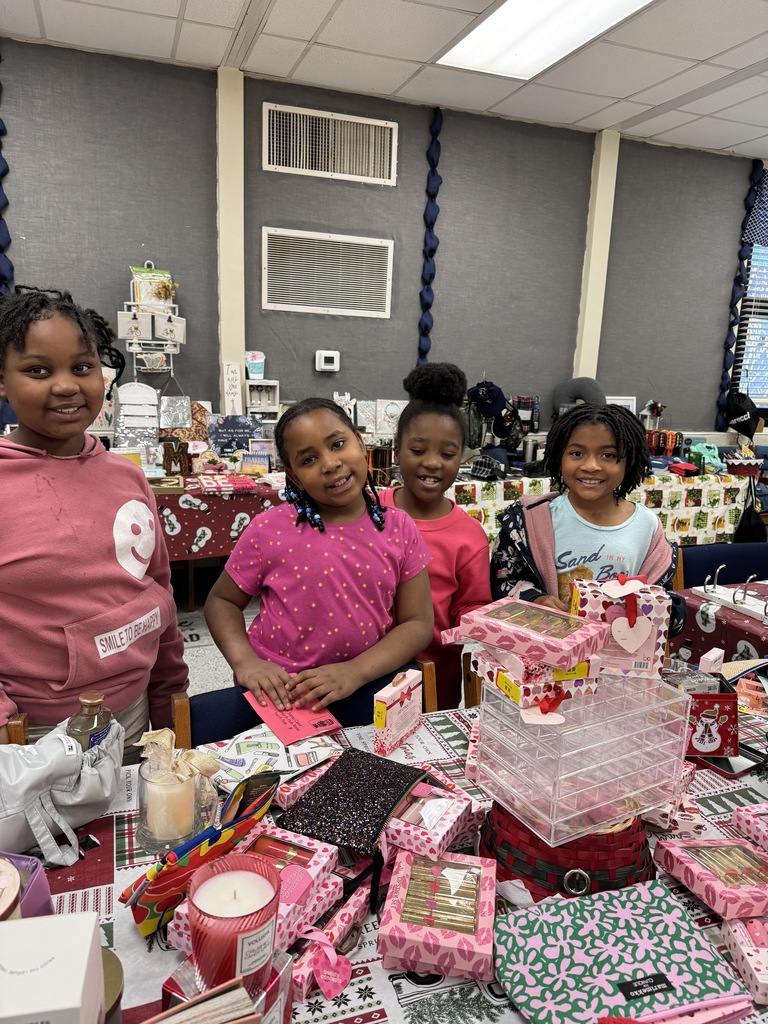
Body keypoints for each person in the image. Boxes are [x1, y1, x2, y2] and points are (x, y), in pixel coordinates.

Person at [0, 286, 188, 761]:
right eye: (38, 370)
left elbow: (157, 590)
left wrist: (169, 694)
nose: (66, 385)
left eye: (82, 368)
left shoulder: (128, 477)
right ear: (2, 380)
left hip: (135, 712)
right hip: (33, 732)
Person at [204, 397, 433, 727]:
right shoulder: (269, 529)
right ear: (294, 477)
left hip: (367, 689)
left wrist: (355, 671)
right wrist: (245, 662)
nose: (330, 463)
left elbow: (417, 624)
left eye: (338, 444)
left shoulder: (399, 528)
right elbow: (222, 601)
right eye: (309, 459)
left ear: (360, 441)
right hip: (280, 699)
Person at [490, 403, 684, 633]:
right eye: (577, 453)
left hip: (618, 658)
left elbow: (662, 598)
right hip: (549, 655)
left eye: (608, 455)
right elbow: (501, 582)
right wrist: (535, 600)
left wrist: (665, 612)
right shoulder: (528, 520)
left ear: (629, 460)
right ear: (558, 456)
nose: (591, 466)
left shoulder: (647, 526)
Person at [379, 363, 491, 708]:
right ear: (397, 450)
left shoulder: (470, 535)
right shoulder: (368, 511)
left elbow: (472, 605)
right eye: (418, 450)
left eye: (447, 454)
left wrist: (489, 627)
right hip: (361, 670)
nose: (432, 463)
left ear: (462, 458)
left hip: (434, 677)